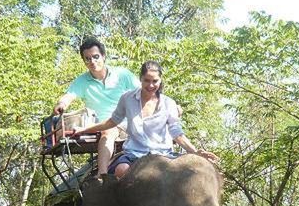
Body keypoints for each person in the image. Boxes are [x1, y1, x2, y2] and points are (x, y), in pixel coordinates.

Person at [74, 60, 218, 178]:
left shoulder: (169, 103)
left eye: (155, 81)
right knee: (120, 170)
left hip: (163, 155)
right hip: (135, 154)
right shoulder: (127, 98)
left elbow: (176, 133)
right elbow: (112, 121)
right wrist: (83, 129)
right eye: (146, 81)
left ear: (160, 81)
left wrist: (195, 151)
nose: (151, 85)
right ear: (140, 79)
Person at [52, 37, 139, 175]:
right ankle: (102, 176)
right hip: (103, 125)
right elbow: (69, 95)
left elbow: (145, 92)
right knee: (108, 131)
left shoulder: (122, 74)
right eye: (87, 59)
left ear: (103, 56)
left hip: (128, 122)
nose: (92, 61)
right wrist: (61, 104)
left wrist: (170, 105)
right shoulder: (82, 81)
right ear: (84, 61)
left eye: (95, 56)